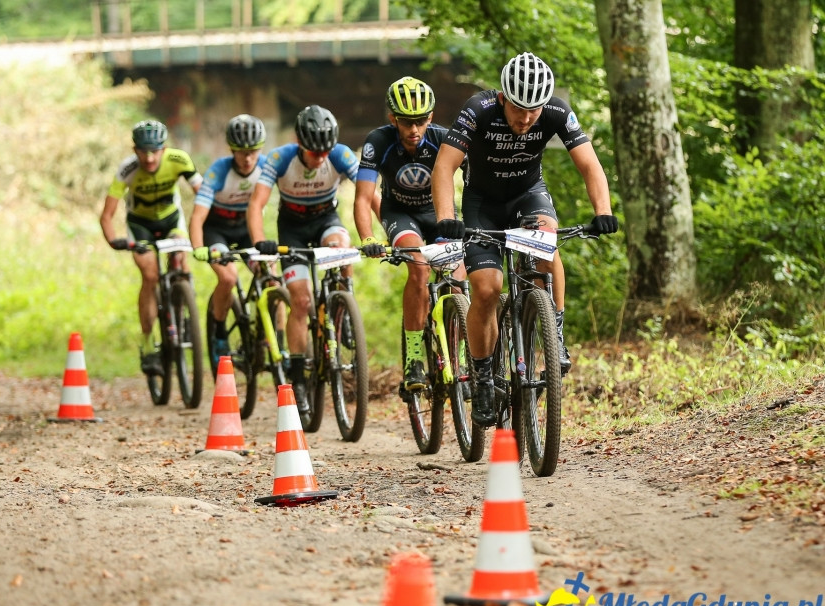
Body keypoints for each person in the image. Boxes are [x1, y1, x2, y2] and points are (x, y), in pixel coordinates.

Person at [431, 51, 619, 427]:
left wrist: (603, 211)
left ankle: (554, 330)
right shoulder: (478, 109)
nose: (527, 118)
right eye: (519, 109)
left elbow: (589, 163)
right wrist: (446, 219)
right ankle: (484, 376)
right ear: (503, 97)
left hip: (528, 195)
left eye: (535, 110)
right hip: (482, 203)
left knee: (547, 246)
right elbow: (444, 166)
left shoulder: (557, 112)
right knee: (486, 288)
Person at [247, 104, 380, 415]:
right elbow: (256, 204)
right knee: (302, 301)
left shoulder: (340, 154)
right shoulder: (280, 159)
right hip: (291, 228)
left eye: (325, 151)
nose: (320, 157)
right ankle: (297, 378)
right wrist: (258, 242)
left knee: (341, 245)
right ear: (299, 142)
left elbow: (371, 194)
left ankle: (342, 304)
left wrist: (386, 230)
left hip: (325, 220)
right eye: (313, 152)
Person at [354, 76, 465, 392]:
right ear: (393, 119)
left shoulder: (444, 138)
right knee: (418, 268)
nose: (414, 129)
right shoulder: (377, 141)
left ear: (430, 117)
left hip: (439, 214)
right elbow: (363, 198)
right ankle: (415, 357)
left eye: (420, 121)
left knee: (458, 280)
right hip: (400, 215)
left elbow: (475, 181)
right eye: (406, 122)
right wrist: (368, 238)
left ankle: (460, 356)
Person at [100, 119, 204, 376]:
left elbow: (203, 193)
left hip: (171, 220)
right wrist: (115, 241)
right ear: (135, 150)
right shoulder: (127, 170)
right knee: (150, 275)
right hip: (141, 225)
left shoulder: (179, 160)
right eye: (143, 151)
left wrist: (203, 226)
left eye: (155, 151)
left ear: (164, 148)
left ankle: (183, 306)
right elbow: (107, 215)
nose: (149, 158)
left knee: (179, 257)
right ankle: (148, 344)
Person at [189, 114, 268, 370]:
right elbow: (198, 216)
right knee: (228, 278)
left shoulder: (267, 167)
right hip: (217, 232)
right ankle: (219, 332)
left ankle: (270, 337)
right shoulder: (218, 171)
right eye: (241, 152)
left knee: (270, 276)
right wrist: (199, 248)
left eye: (253, 152)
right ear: (232, 150)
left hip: (246, 230)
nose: (248, 159)